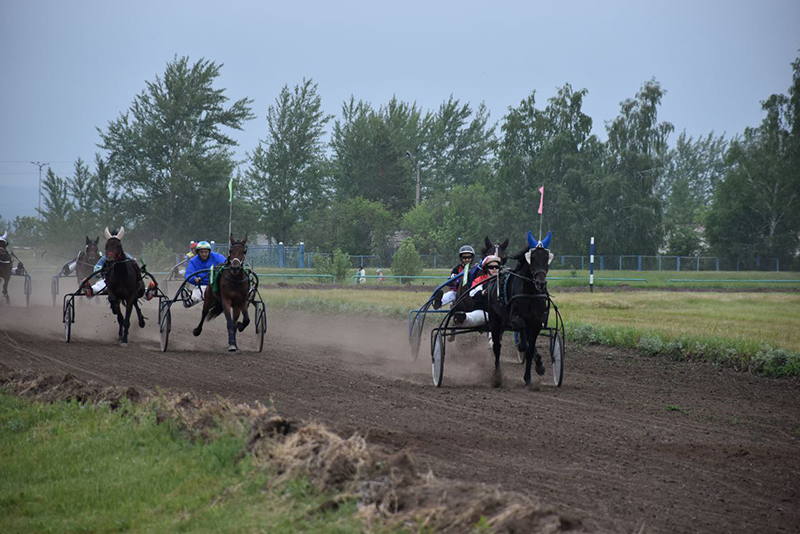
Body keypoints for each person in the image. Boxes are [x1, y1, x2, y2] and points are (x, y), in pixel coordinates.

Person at [452, 255, 502, 329]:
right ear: (486, 269)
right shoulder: (480, 280)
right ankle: (462, 319)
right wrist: (482, 293)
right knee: (477, 317)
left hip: (501, 311)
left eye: (497, 267)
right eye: (491, 267)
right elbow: (472, 293)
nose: (494, 269)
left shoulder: (503, 280)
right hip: (484, 310)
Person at [432, 245, 475, 310]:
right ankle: (439, 303)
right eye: (464, 257)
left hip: (472, 291)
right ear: (461, 258)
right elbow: (449, 282)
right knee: (450, 295)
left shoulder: (476, 268)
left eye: (469, 257)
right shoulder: (457, 268)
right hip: (458, 292)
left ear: (472, 258)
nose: (467, 259)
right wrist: (454, 280)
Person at [184, 241, 226, 306]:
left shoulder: (217, 257)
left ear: (209, 252)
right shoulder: (193, 261)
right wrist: (194, 279)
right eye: (201, 252)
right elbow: (188, 273)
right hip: (201, 285)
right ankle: (188, 296)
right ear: (198, 252)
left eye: (206, 252)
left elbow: (226, 264)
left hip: (215, 285)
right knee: (195, 298)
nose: (204, 254)